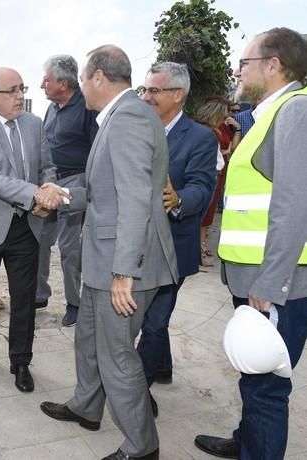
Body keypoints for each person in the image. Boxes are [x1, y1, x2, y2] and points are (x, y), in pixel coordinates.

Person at [39, 45, 177, 460]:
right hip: (107, 255)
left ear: (98, 76)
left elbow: (136, 198)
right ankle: (86, 405)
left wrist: (124, 273)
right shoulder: (120, 117)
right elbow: (105, 195)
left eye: (82, 79)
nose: (82, 87)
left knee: (117, 355)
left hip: (122, 263)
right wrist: (62, 198)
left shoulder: (128, 118)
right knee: (89, 337)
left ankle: (141, 446)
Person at [194, 27, 307, 460]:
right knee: (253, 373)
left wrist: (270, 283)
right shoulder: (269, 114)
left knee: (267, 388)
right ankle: (246, 440)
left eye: (244, 62)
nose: (237, 72)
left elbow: (295, 204)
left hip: (276, 283)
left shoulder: (293, 112)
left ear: (273, 66)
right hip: (255, 275)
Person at [0, 67, 64, 393]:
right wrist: (36, 193)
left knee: (24, 299)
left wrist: (48, 190)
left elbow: (47, 165)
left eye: (22, 88)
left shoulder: (34, 123)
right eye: (13, 90)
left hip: (27, 226)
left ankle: (21, 361)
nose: (21, 95)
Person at [136, 63, 217, 394]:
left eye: (153, 90)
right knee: (155, 317)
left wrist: (178, 199)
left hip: (172, 244)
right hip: (138, 241)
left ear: (178, 95)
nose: (145, 96)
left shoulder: (200, 137)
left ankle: (137, 392)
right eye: (145, 89)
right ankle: (164, 365)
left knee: (153, 321)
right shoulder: (139, 129)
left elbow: (203, 186)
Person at [34, 54, 98, 327]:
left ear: (63, 83)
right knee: (38, 240)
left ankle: (74, 302)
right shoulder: (51, 109)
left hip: (75, 182)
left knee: (69, 247)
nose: (41, 85)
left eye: (46, 80)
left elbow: (97, 150)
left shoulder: (86, 107)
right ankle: (39, 295)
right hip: (50, 181)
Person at [196, 97, 241, 267]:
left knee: (205, 215)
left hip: (212, 176)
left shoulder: (206, 131)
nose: (227, 118)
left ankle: (199, 249)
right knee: (203, 215)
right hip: (208, 177)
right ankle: (198, 252)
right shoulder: (209, 133)